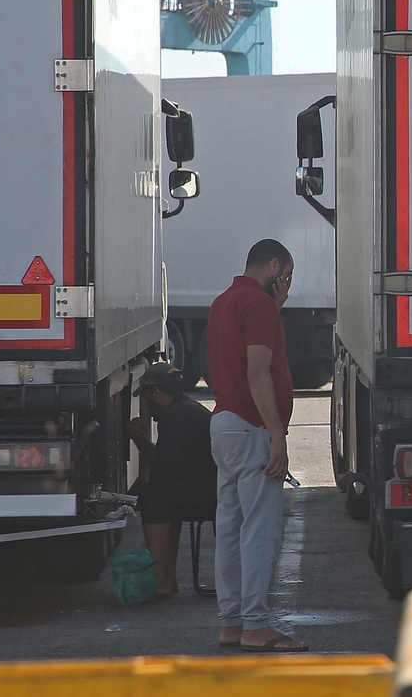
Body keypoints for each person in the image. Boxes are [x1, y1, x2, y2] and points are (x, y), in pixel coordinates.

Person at [206, 238, 305, 653]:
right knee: (260, 530)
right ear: (274, 264)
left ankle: (231, 622)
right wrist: (277, 434)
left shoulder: (225, 301)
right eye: (286, 275)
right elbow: (258, 372)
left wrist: (275, 310)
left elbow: (236, 352)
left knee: (229, 529)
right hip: (250, 427)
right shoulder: (259, 306)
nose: (286, 283)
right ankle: (257, 626)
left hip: (224, 425)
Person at [128, 360, 217, 598]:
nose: (146, 404)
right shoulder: (186, 409)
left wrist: (141, 441)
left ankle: (162, 580)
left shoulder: (176, 418)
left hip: (213, 494)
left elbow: (163, 472)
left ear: (155, 393)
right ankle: (168, 578)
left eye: (146, 397)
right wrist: (142, 440)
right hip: (213, 488)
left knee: (154, 498)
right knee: (163, 495)